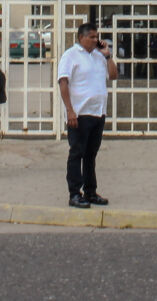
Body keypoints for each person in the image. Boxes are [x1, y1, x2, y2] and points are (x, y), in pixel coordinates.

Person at [57, 22, 118, 208]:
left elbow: (114, 75)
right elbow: (63, 82)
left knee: (91, 155)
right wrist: (69, 110)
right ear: (81, 37)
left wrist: (107, 56)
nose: (95, 40)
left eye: (96, 36)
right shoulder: (70, 56)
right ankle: (75, 193)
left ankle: (90, 191)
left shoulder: (99, 56)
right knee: (77, 153)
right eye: (91, 36)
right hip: (80, 114)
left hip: (98, 112)